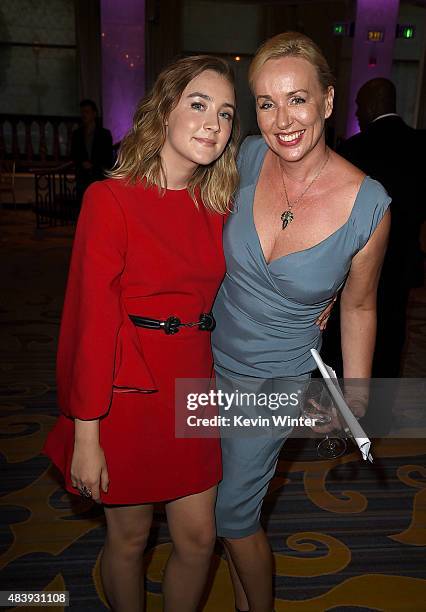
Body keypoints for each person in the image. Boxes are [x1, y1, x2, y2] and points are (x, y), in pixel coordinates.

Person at [43, 56, 239, 612]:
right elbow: (90, 322)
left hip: (193, 386)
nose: (212, 124)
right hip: (126, 392)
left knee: (199, 540)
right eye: (198, 105)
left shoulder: (216, 207)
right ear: (163, 110)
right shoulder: (111, 199)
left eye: (225, 115)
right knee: (129, 539)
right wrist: (87, 435)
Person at [211, 32, 391, 612]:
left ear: (328, 102)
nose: (282, 119)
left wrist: (357, 394)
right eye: (266, 103)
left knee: (233, 513)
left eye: (297, 99)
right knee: (214, 503)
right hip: (200, 352)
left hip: (274, 377)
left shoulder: (369, 205)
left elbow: (361, 305)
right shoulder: (246, 157)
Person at [330, 78, 425, 377]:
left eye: (358, 106)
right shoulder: (421, 145)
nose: (357, 113)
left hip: (358, 262)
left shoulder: (353, 150)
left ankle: (350, 403)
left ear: (371, 105)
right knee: (393, 334)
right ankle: (382, 406)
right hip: (402, 262)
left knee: (352, 329)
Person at [71, 99, 114, 202]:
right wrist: (82, 163)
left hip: (98, 176)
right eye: (82, 112)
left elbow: (107, 156)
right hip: (82, 178)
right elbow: (74, 153)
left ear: (94, 114)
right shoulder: (77, 134)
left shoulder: (104, 134)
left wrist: (94, 164)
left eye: (87, 112)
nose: (84, 115)